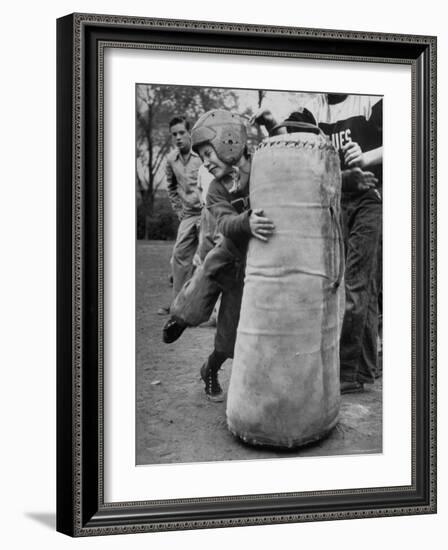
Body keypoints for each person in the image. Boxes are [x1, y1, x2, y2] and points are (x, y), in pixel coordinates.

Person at [253, 93, 383, 394]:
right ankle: (365, 367)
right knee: (352, 285)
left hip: (369, 199)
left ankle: (347, 373)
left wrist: (367, 157)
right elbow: (295, 148)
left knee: (357, 285)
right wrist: (273, 123)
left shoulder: (370, 101)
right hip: (334, 201)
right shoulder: (313, 110)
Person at [163, 109, 275, 401]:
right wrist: (246, 221)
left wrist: (273, 126)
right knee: (198, 292)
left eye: (208, 153)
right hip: (226, 253)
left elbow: (285, 161)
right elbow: (226, 223)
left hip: (249, 268)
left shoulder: (262, 168)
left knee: (228, 338)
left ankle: (209, 369)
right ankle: (180, 318)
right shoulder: (214, 189)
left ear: (230, 141)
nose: (206, 162)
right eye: (200, 156)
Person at [157, 115, 203, 315]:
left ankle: (208, 307)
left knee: (207, 257)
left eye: (182, 133)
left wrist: (210, 210)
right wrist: (179, 210)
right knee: (179, 256)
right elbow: (171, 187)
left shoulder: (202, 155)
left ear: (189, 133)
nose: (178, 137)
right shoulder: (170, 160)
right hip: (188, 215)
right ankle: (178, 305)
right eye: (174, 134)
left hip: (207, 213)